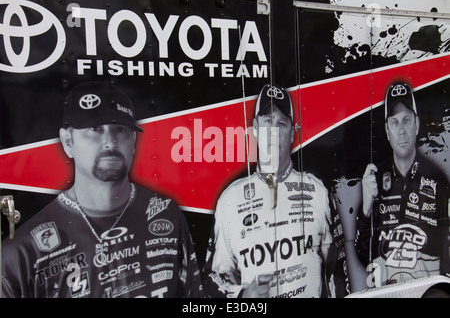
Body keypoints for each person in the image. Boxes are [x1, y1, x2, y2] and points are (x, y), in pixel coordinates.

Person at [2, 81, 203, 298]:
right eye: (95, 129)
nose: (110, 141)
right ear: (68, 141)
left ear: (133, 141)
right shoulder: (23, 252)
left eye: (121, 129)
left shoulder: (165, 214)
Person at [202, 83, 334, 298]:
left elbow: (335, 265)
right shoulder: (230, 199)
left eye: (281, 124)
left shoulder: (317, 190)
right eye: (267, 122)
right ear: (255, 127)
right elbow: (213, 276)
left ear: (292, 133)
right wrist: (242, 295)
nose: (273, 132)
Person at [358, 81, 450, 286]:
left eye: (406, 120)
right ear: (387, 129)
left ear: (416, 125)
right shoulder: (374, 179)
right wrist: (365, 209)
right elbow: (363, 255)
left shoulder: (437, 179)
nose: (401, 130)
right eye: (394, 122)